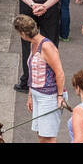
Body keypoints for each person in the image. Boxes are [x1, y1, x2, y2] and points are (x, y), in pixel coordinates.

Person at [14, 14, 66, 143]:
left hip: (49, 96)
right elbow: (33, 72)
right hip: (38, 95)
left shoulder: (46, 46)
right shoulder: (34, 44)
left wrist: (60, 96)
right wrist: (31, 95)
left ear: (23, 33)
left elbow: (60, 73)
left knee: (47, 138)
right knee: (41, 135)